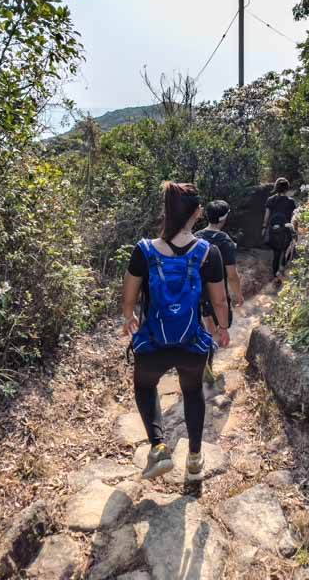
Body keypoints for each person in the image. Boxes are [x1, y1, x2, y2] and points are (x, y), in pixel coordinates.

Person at [121, 182, 231, 480]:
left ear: (167, 211)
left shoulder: (143, 251)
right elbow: (219, 300)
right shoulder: (209, 252)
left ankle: (158, 448)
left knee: (145, 387)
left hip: (153, 342)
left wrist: (128, 318)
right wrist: (222, 328)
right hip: (192, 342)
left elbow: (129, 298)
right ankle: (194, 458)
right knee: (193, 392)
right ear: (197, 213)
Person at [197, 200, 244, 383]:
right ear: (224, 218)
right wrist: (238, 293)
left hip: (197, 293)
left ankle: (205, 360)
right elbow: (232, 275)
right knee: (219, 329)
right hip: (216, 292)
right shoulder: (225, 242)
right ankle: (207, 363)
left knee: (207, 324)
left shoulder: (195, 237)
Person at [263, 177, 297, 279]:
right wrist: (294, 231)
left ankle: (275, 276)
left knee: (276, 253)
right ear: (287, 188)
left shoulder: (270, 200)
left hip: (274, 230)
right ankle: (281, 268)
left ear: (276, 187)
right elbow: (293, 217)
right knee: (287, 250)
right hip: (286, 229)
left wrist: (264, 228)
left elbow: (266, 216)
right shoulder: (291, 202)